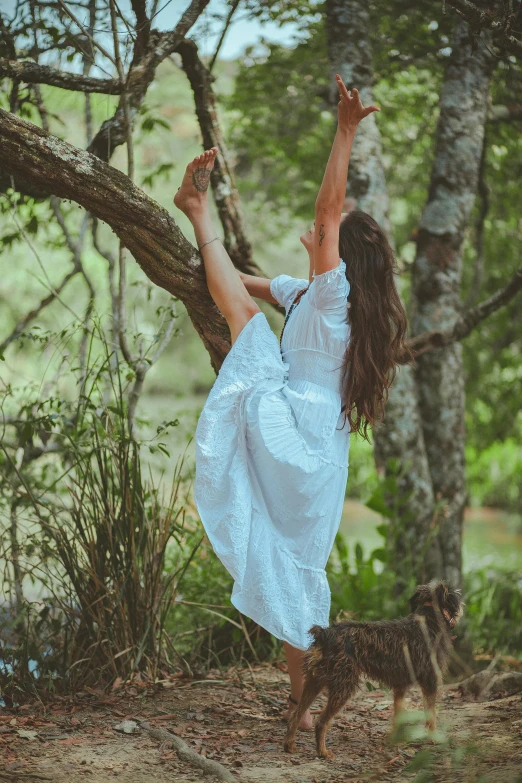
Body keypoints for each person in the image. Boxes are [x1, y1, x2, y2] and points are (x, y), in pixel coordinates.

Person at [173, 75, 410, 731]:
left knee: (248, 327)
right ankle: (301, 704)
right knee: (293, 559)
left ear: (343, 260)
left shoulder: (332, 297)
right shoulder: (308, 293)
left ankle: (191, 211)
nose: (315, 230)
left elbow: (325, 216)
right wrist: (199, 257)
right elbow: (237, 282)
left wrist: (346, 129)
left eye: (327, 234)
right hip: (313, 453)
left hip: (294, 434)